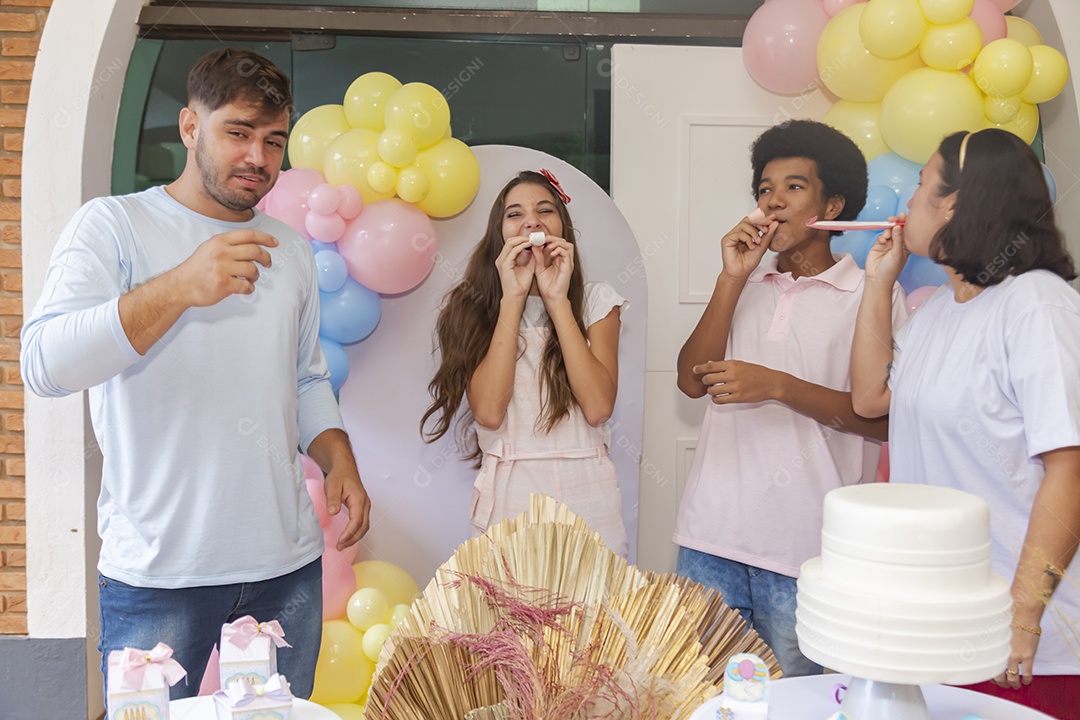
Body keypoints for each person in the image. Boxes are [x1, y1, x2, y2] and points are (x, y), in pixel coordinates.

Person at [20, 48, 371, 700]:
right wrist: (180, 286)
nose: (258, 159)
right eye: (237, 132)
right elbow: (44, 365)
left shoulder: (290, 249)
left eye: (273, 141)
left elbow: (307, 378)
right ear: (189, 127)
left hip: (283, 575)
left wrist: (338, 454)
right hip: (156, 577)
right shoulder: (114, 227)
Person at [850, 128, 1080, 716]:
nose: (906, 206)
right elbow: (870, 398)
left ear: (956, 204)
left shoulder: (1036, 304)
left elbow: (1070, 464)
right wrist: (878, 284)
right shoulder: (940, 314)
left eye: (922, 188)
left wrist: (1024, 614)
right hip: (943, 623)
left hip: (1025, 640)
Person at [674, 120, 909, 677]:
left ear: (833, 204)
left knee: (801, 706)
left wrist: (777, 387)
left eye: (794, 187)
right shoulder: (745, 286)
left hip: (808, 554)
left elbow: (885, 424)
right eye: (764, 189)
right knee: (700, 702)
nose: (773, 200)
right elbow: (689, 381)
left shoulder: (874, 294)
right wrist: (731, 278)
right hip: (710, 539)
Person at [421, 169, 629, 557]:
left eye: (544, 210)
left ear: (562, 228)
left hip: (591, 498)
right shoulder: (469, 310)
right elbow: (488, 413)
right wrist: (512, 299)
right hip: (509, 500)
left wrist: (557, 301)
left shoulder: (598, 302)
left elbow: (599, 407)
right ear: (499, 234)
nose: (531, 220)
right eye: (515, 214)